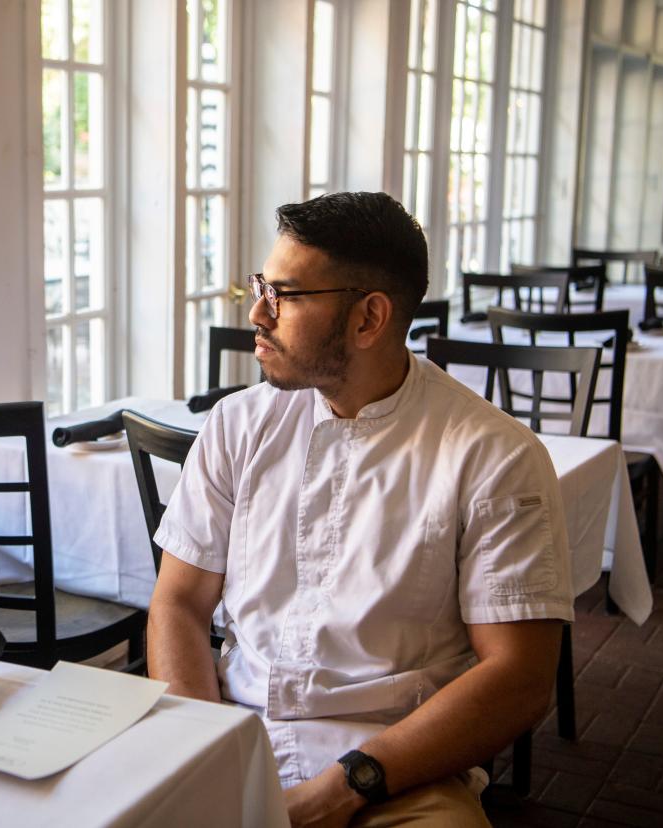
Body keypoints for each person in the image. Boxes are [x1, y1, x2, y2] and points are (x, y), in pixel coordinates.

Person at [147, 192, 572, 827]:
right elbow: (178, 602)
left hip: (396, 772)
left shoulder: (494, 455)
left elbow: (519, 679)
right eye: (262, 285)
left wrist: (348, 786)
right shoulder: (238, 424)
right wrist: (200, 753)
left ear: (369, 319)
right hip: (232, 731)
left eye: (283, 296)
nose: (258, 313)